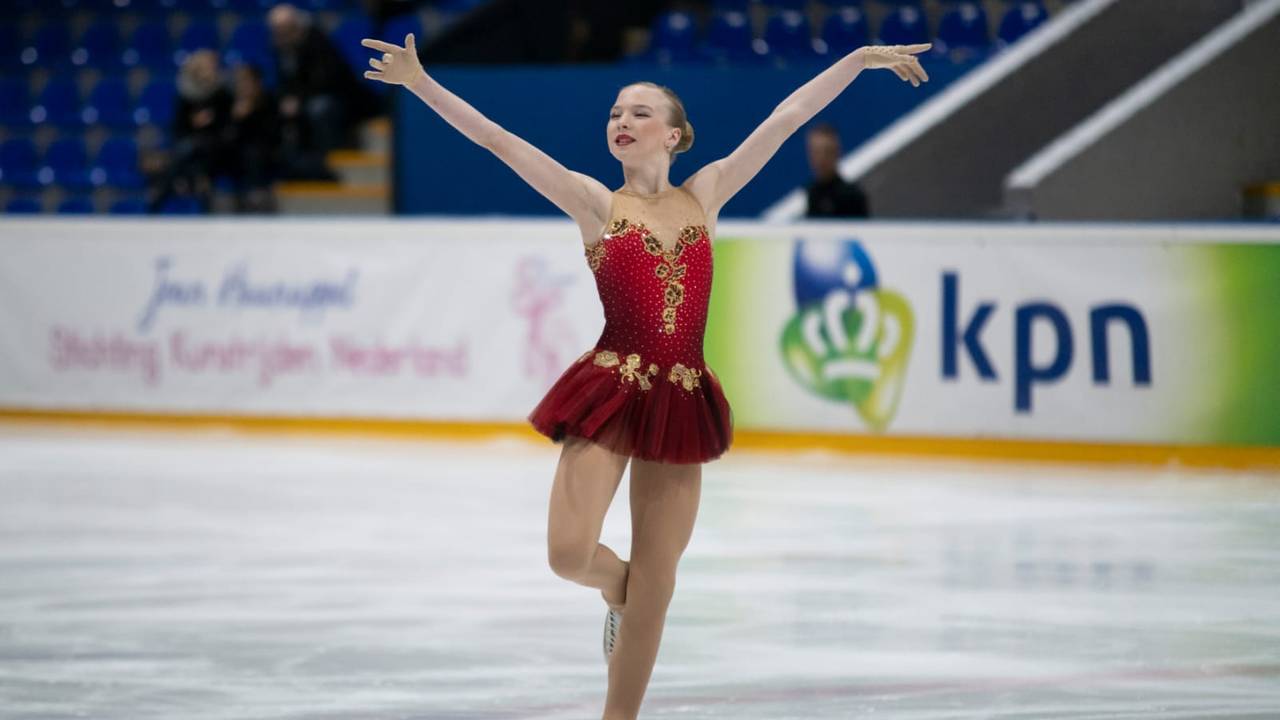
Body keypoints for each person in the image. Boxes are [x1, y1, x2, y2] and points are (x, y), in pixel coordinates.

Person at [360, 32, 929, 719]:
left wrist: (859, 59)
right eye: (613, 115)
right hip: (610, 385)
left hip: (683, 394)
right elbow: (500, 142)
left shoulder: (707, 193)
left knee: (659, 584)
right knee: (570, 554)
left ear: (676, 135)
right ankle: (616, 593)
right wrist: (420, 83)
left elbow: (786, 118)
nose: (621, 122)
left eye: (638, 113)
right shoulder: (596, 204)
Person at [268, 3, 377, 178]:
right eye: (276, 30)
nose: (279, 35)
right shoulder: (280, 47)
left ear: (295, 26)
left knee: (319, 108)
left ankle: (332, 160)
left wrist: (298, 100)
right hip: (305, 97)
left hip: (341, 98)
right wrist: (286, 98)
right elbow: (284, 81)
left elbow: (328, 80)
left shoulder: (317, 41)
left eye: (283, 29)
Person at [148, 49, 232, 213]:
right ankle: (198, 188)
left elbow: (227, 125)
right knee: (189, 151)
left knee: (193, 151)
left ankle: (162, 194)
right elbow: (178, 127)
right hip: (190, 146)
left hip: (215, 147)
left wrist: (210, 122)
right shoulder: (185, 95)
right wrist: (194, 123)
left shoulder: (222, 93)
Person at [225, 64, 280, 213]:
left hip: (264, 154)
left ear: (257, 83)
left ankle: (257, 194)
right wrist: (236, 120)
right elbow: (226, 138)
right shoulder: (229, 103)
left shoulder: (268, 101)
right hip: (235, 155)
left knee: (253, 152)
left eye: (247, 81)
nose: (243, 86)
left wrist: (251, 115)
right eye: (240, 82)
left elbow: (271, 135)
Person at [804, 121, 870, 218]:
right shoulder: (808, 194)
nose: (822, 159)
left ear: (837, 152)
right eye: (816, 152)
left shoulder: (852, 196)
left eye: (827, 151)